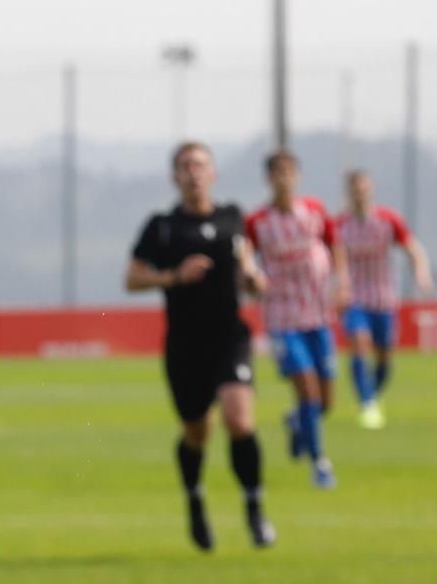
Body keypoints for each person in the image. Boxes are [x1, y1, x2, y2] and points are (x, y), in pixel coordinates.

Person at [126, 141, 277, 550]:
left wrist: (254, 280)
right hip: (184, 345)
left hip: (229, 336)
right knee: (197, 433)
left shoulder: (232, 218)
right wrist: (174, 276)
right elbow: (133, 278)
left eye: (200, 165)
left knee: (240, 421)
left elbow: (247, 264)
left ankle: (254, 509)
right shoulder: (162, 227)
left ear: (213, 173)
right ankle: (195, 500)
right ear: (175, 176)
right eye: (185, 166)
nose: (193, 172)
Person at [245, 151, 347, 489]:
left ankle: (296, 422)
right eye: (277, 173)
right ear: (269, 178)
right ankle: (319, 463)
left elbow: (336, 247)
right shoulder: (257, 221)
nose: (284, 178)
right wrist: (251, 277)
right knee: (307, 387)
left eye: (289, 172)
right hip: (283, 318)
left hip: (318, 314)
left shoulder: (315, 211)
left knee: (326, 400)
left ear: (298, 176)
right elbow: (245, 260)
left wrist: (342, 283)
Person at [334, 168, 433, 429]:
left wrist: (421, 273)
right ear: (349, 192)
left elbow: (413, 248)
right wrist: (336, 288)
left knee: (385, 358)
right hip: (355, 297)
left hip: (384, 299)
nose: (360, 192)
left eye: (363, 186)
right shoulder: (340, 225)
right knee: (359, 343)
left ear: (371, 189)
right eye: (355, 188)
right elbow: (331, 258)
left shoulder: (389, 220)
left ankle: (372, 395)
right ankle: (367, 403)